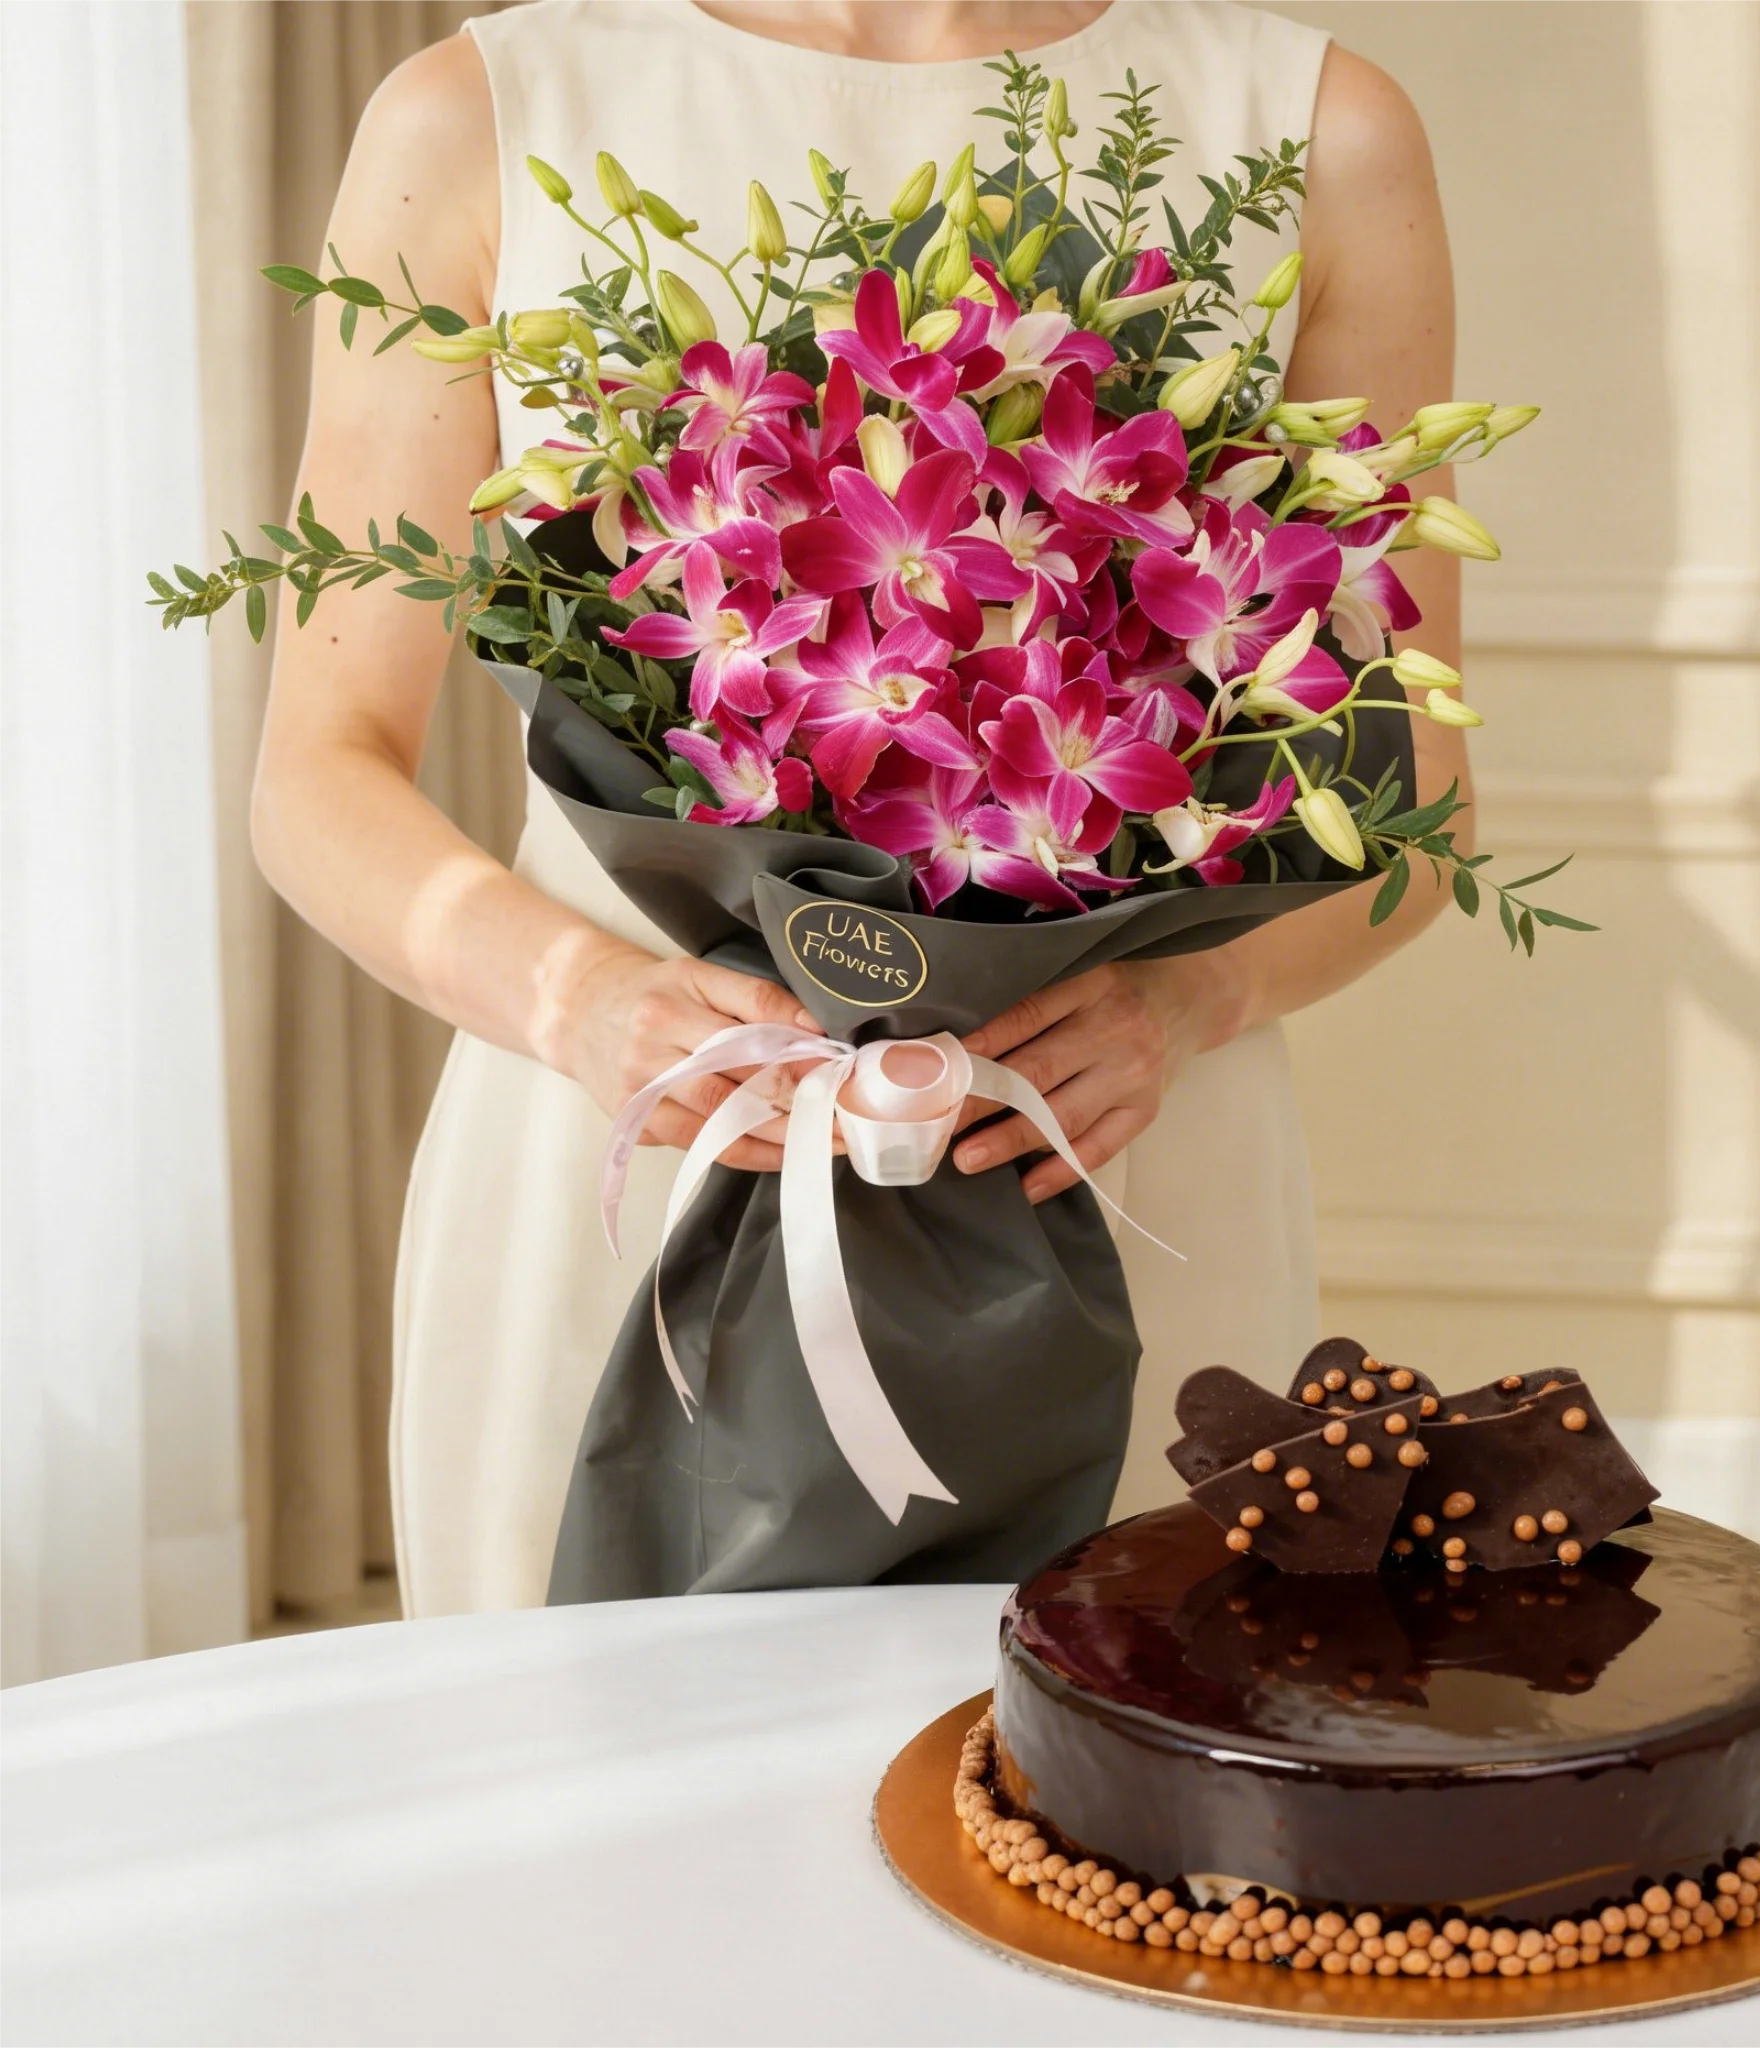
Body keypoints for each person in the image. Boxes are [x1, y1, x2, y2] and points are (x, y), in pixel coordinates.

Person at [251, 0, 1468, 1615]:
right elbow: (317, 766)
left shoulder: (1319, 126)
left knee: (1110, 1827)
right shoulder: (480, 110)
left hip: (1108, 1153)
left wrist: (1191, 997)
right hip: (642, 1137)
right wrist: (587, 1004)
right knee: (576, 1816)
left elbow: (1419, 795)